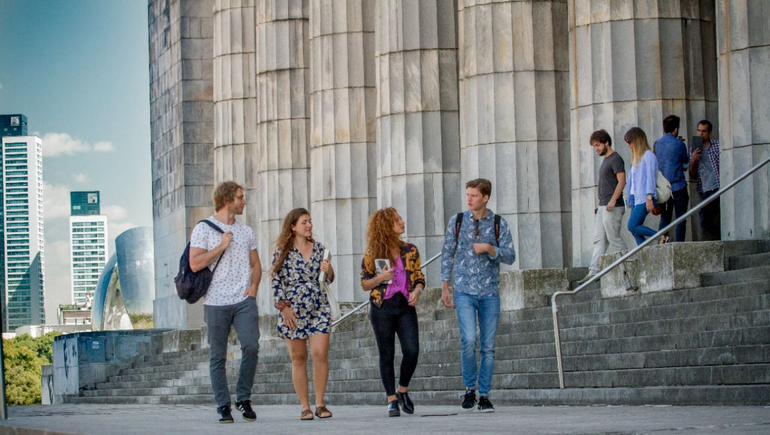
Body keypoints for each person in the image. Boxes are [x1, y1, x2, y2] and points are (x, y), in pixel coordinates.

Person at [440, 179, 515, 413]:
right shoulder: (457, 221)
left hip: (490, 291)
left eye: (474, 195)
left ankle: (484, 395)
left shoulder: (498, 223)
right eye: (468, 194)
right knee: (469, 339)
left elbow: (510, 256)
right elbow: (447, 253)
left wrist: (490, 249)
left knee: (488, 346)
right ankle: (469, 388)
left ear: (485, 197)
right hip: (464, 290)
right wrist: (445, 286)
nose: (469, 198)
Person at [189, 181, 261, 424]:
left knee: (251, 345)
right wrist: (221, 246)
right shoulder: (203, 229)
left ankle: (243, 397)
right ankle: (223, 405)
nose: (244, 201)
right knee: (218, 356)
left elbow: (256, 264)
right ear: (228, 199)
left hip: (243, 300)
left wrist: (253, 288)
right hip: (215, 301)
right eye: (241, 197)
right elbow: (195, 263)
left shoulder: (246, 231)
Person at [360, 207, 425, 417]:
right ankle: (391, 399)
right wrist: (380, 278)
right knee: (386, 354)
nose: (402, 222)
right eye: (397, 220)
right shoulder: (373, 254)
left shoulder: (410, 250)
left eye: (400, 219)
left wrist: (417, 290)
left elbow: (418, 276)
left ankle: (403, 389)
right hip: (382, 307)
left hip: (405, 305)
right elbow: (365, 283)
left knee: (412, 350)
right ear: (386, 226)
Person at [271, 208, 335, 421]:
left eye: (310, 221)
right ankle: (304, 406)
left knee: (320, 353)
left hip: (318, 307)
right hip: (293, 310)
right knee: (298, 358)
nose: (309, 225)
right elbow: (276, 281)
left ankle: (320, 403)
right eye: (304, 222)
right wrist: (284, 307)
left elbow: (328, 279)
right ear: (293, 226)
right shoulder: (282, 251)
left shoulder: (319, 249)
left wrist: (329, 269)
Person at [578, 129, 629, 284]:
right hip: (603, 206)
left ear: (606, 142)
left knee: (614, 238)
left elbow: (622, 181)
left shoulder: (616, 159)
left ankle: (629, 266)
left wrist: (613, 200)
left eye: (598, 145)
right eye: (594, 146)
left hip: (612, 205)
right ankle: (594, 271)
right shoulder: (606, 160)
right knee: (599, 239)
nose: (597, 148)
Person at [654, 115, 690, 243]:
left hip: (663, 188)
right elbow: (685, 166)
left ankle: (661, 243)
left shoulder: (657, 144)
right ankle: (679, 245)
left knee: (665, 218)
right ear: (676, 129)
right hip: (678, 186)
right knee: (681, 218)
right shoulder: (679, 144)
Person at [625, 128, 660, 245]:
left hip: (645, 197)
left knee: (632, 226)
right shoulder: (636, 159)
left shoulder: (648, 155)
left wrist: (649, 197)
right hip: (636, 198)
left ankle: (660, 236)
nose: (629, 146)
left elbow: (651, 177)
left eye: (630, 142)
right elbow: (631, 182)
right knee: (635, 230)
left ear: (637, 141)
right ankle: (643, 252)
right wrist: (629, 199)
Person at [689, 119, 721, 240]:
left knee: (706, 218)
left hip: (718, 187)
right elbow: (692, 174)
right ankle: (722, 236)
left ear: (709, 132)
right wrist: (693, 161)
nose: (700, 134)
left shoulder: (717, 146)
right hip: (705, 190)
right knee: (705, 221)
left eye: (704, 131)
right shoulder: (693, 149)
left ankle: (724, 236)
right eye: (698, 130)